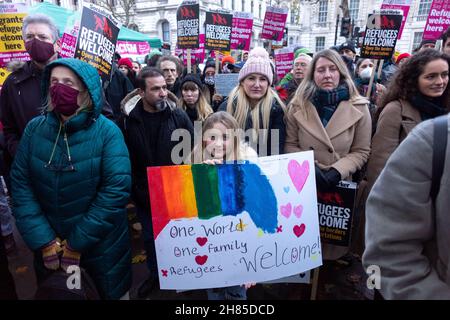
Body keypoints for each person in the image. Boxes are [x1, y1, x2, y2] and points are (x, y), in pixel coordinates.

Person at [10, 58, 132, 300]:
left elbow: (115, 191)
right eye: (54, 81)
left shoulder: (107, 132)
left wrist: (76, 244)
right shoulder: (35, 129)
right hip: (49, 251)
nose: (59, 87)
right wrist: (44, 242)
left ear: (87, 90)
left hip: (102, 249)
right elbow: (21, 185)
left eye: (68, 82)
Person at [285, 49, 372, 260]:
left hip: (338, 186)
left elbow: (361, 151)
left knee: (328, 247)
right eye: (321, 70)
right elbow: (289, 144)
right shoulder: (297, 105)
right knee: (302, 242)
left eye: (332, 69)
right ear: (312, 75)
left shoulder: (360, 107)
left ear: (341, 73)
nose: (327, 75)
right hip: (304, 182)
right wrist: (310, 169)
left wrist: (337, 171)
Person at [120, 67, 194, 298]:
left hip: (177, 191)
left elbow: (191, 152)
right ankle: (156, 276)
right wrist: (136, 191)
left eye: (164, 87)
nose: (163, 93)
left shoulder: (179, 116)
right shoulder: (127, 122)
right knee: (152, 240)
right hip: (145, 194)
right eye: (156, 89)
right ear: (141, 92)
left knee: (181, 238)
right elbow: (125, 159)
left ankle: (186, 276)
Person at [363, 114, 450, 299]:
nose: (439, 82)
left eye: (442, 81)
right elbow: (379, 160)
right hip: (397, 193)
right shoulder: (429, 136)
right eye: (430, 81)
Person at [190, 111, 257, 299]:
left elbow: (254, 210)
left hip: (241, 243)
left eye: (225, 137)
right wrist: (205, 175)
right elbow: (192, 209)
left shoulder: (249, 160)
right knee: (214, 292)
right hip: (210, 245)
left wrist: (253, 266)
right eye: (212, 137)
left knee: (237, 294)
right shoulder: (195, 161)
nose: (218, 143)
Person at [366, 49, 450, 193]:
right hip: (405, 198)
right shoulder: (395, 110)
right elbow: (380, 166)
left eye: (444, 75)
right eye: (431, 77)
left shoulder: (446, 108)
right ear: (413, 79)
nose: (440, 82)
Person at [0, 13, 60, 174]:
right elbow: (8, 129)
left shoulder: (77, 76)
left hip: (76, 170)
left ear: (57, 44)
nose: (35, 41)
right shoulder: (13, 83)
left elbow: (102, 118)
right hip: (31, 173)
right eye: (30, 37)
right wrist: (22, 154)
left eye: (42, 36)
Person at [219, 47, 287, 156]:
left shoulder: (277, 110)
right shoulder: (227, 107)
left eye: (263, 79)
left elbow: (276, 152)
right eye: (251, 78)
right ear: (242, 81)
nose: (257, 84)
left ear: (268, 84)